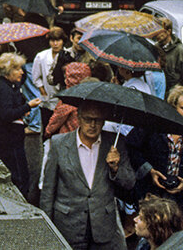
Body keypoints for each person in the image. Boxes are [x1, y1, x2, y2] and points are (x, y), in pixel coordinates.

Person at [41, 102, 135, 250]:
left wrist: (115, 168)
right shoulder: (59, 144)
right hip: (68, 226)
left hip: (103, 229)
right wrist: (45, 228)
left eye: (97, 120)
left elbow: (129, 183)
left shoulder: (115, 143)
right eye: (88, 119)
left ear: (104, 121)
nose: (92, 125)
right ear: (78, 118)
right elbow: (48, 191)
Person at [126, 85, 183, 219]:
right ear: (172, 108)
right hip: (152, 194)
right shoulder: (151, 126)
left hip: (180, 200)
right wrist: (149, 171)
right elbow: (131, 147)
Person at [0, 52, 41, 196]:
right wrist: (28, 106)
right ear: (8, 71)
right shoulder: (5, 89)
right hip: (9, 138)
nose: (21, 72)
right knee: (20, 175)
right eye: (17, 69)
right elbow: (7, 114)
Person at [31, 27, 68, 130]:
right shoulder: (41, 56)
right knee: (47, 127)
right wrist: (43, 92)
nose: (55, 44)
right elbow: (35, 77)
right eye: (52, 41)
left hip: (63, 99)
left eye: (58, 40)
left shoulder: (68, 55)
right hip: (47, 99)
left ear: (63, 41)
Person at [45, 63, 92, 138]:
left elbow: (55, 122)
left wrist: (48, 132)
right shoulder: (90, 95)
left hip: (67, 137)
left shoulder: (69, 100)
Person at [153, 18, 183, 93]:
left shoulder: (180, 51)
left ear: (168, 31)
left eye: (159, 31)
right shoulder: (156, 48)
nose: (156, 34)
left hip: (175, 94)